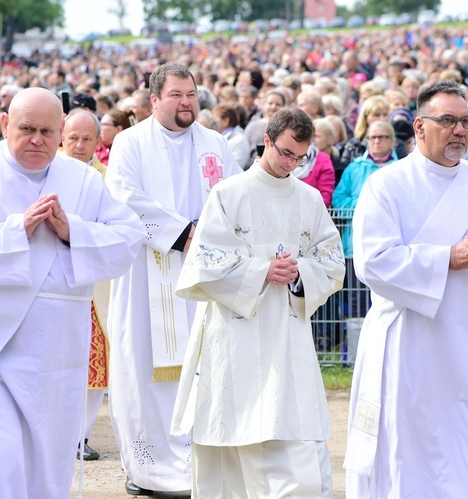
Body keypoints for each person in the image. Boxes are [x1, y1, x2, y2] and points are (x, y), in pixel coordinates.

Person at [0, 87, 146, 498]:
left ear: (61, 132)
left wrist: (72, 230)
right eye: (26, 129)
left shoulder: (83, 182)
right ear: (5, 125)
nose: (37, 139)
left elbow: (129, 241)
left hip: (55, 358)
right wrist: (13, 233)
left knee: (46, 474)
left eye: (47, 130)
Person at [344, 80, 468, 497]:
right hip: (413, 341)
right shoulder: (386, 186)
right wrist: (445, 259)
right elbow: (372, 261)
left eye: (466, 121)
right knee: (419, 441)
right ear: (419, 126)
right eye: (448, 120)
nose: (460, 130)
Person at [170, 107, 345, 497]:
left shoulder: (309, 198)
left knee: (292, 435)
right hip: (235, 330)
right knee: (233, 432)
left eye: (300, 157)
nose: (291, 164)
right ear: (266, 141)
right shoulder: (229, 193)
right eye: (285, 153)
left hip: (286, 330)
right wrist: (260, 272)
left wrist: (299, 271)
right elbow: (205, 263)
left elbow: (333, 262)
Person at [105, 62, 241, 496]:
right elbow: (124, 197)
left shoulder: (215, 143)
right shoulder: (130, 142)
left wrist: (215, 233)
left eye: (192, 94)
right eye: (177, 95)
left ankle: (202, 462)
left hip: (206, 276)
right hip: (149, 273)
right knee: (144, 366)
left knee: (208, 365)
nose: (186, 103)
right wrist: (184, 232)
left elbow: (237, 194)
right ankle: (149, 468)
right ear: (155, 100)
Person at [60, 108, 109, 461]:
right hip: (57, 282)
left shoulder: (109, 179)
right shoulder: (47, 172)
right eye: (72, 138)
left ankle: (80, 435)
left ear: (97, 141)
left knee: (96, 363)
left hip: (96, 286)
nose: (79, 145)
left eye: (86, 139)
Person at [333, 121, 399, 362]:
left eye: (382, 137)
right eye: (372, 137)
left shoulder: (400, 168)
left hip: (392, 248)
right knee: (357, 301)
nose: (377, 141)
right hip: (355, 248)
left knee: (389, 299)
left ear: (392, 140)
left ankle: (388, 354)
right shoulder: (353, 169)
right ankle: (357, 355)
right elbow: (338, 202)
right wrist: (366, 207)